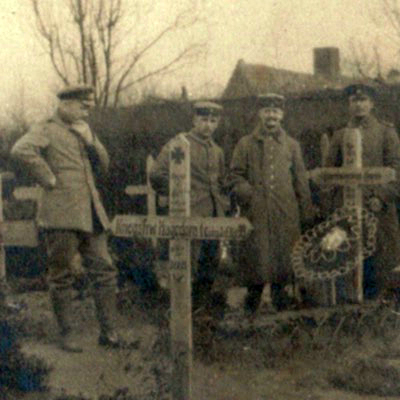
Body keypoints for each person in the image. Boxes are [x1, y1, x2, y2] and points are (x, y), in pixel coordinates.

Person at [11, 85, 126, 352]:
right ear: (65, 104)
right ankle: (68, 335)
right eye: (81, 106)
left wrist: (91, 141)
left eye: (88, 107)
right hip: (62, 213)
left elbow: (105, 164)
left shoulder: (84, 129)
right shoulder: (46, 127)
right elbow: (21, 149)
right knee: (61, 274)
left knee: (105, 270)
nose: (86, 111)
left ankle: (109, 333)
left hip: (91, 213)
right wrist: (47, 177)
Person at [228, 93, 314, 315]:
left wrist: (306, 212)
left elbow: (301, 181)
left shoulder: (292, 146)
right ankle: (252, 303)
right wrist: (249, 194)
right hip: (256, 212)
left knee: (284, 259)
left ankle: (281, 303)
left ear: (282, 115)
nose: (271, 116)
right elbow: (235, 176)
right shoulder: (245, 144)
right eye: (267, 111)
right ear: (260, 114)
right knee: (257, 258)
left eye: (275, 112)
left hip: (285, 212)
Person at [150, 101, 229, 315]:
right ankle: (180, 314)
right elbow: (157, 175)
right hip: (189, 215)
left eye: (213, 121)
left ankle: (200, 313)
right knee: (187, 267)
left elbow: (220, 183)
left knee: (210, 266)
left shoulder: (217, 151)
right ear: (194, 120)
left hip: (213, 218)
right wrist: (179, 192)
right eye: (204, 120)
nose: (208, 126)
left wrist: (224, 206)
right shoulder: (179, 144)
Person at [324, 83, 400, 300]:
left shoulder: (386, 132)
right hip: (348, 209)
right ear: (349, 104)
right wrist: (333, 208)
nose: (359, 105)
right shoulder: (340, 135)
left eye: (363, 100)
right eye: (354, 101)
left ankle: (380, 311)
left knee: (380, 262)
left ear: (372, 103)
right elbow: (331, 175)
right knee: (350, 260)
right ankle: (352, 310)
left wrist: (382, 196)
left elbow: (397, 170)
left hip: (378, 209)